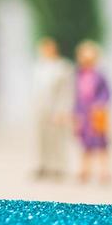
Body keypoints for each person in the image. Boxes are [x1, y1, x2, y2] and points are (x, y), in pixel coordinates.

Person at [30, 38, 73, 179]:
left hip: (55, 109)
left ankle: (59, 166)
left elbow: (67, 92)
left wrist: (63, 110)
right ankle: (43, 165)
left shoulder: (63, 67)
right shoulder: (39, 67)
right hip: (40, 108)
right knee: (41, 138)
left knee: (57, 138)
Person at [72, 41, 112, 184]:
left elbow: (106, 92)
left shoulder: (99, 75)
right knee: (85, 144)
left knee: (101, 143)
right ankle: (85, 169)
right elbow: (74, 96)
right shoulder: (78, 75)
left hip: (97, 113)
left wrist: (100, 103)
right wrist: (75, 113)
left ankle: (104, 171)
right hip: (83, 112)